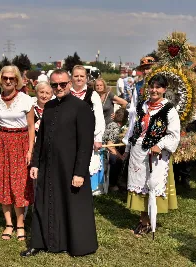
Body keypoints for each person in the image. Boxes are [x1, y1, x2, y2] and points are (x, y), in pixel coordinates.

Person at [21, 69, 97, 257]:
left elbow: (86, 144)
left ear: (70, 83)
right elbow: (42, 138)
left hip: (70, 167)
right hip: (48, 167)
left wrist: (79, 172)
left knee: (71, 205)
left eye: (63, 84)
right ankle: (39, 242)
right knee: (44, 203)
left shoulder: (82, 108)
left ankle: (75, 244)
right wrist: (36, 163)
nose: (59, 88)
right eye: (55, 85)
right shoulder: (49, 106)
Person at [123, 73, 180, 237]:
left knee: (151, 186)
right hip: (138, 153)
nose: (154, 90)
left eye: (158, 87)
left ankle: (148, 221)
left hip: (156, 155)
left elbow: (174, 135)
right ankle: (143, 220)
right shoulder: (141, 106)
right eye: (152, 86)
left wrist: (160, 145)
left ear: (164, 89)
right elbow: (133, 128)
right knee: (139, 186)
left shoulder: (169, 109)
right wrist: (128, 148)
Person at [0, 65, 35, 241]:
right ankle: (8, 224)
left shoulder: (25, 99)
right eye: (5, 78)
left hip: (20, 143)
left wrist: (30, 150)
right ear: (0, 79)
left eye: (11, 78)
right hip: (1, 143)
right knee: (3, 184)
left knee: (19, 184)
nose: (8, 81)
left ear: (17, 80)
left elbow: (31, 127)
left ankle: (21, 224)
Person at [70, 65, 105, 194]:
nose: (79, 79)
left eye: (82, 76)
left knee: (86, 165)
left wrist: (98, 138)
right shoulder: (66, 92)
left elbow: (99, 118)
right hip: (68, 137)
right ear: (71, 77)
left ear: (86, 78)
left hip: (87, 137)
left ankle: (85, 193)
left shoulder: (92, 94)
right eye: (76, 76)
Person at [173, 87, 196, 189]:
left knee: (187, 152)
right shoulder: (172, 86)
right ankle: (174, 177)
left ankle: (185, 178)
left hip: (190, 124)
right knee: (174, 151)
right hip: (174, 124)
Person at [103, 108, 129, 191]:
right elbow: (110, 146)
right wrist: (120, 157)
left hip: (108, 148)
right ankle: (112, 184)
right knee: (117, 160)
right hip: (104, 151)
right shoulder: (115, 127)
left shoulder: (114, 124)